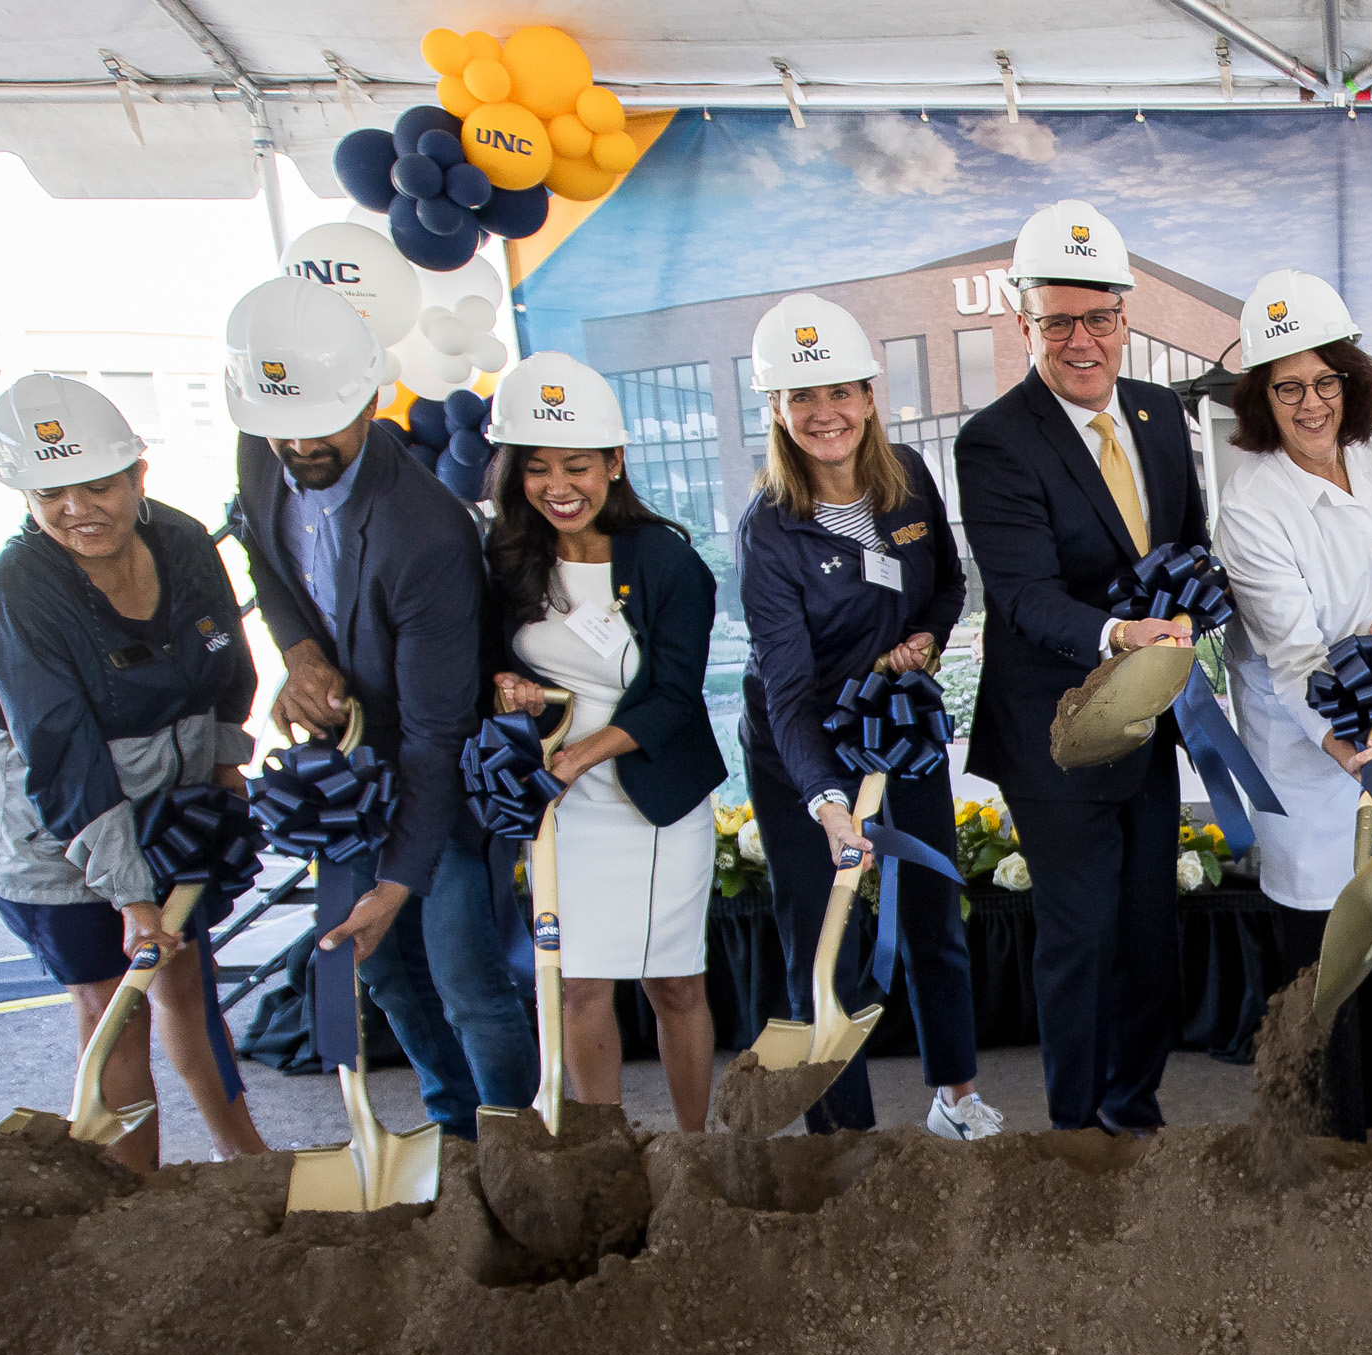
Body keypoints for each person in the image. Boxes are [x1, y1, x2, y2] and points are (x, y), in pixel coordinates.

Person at [223, 276, 519, 1138]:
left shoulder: (424, 533)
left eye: (322, 420)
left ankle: (510, 1145)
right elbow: (267, 564)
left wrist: (397, 882)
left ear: (366, 397)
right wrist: (300, 651)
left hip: (440, 776)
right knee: (385, 971)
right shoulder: (262, 446)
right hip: (350, 770)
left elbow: (435, 731)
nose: (301, 443)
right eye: (284, 424)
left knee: (466, 980)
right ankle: (453, 1132)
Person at [0, 374, 266, 1170]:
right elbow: (61, 755)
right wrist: (131, 898)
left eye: (97, 485)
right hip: (52, 831)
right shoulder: (14, 596)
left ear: (138, 476)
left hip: (164, 803)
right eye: (49, 493)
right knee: (115, 1007)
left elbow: (225, 670)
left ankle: (251, 1163)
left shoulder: (186, 542)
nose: (77, 509)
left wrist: (225, 776)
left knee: (188, 983)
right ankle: (135, 1207)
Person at [956, 200, 1209, 1138]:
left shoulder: (1156, 411)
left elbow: (1185, 547)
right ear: (1024, 321)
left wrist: (1195, 606)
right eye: (1057, 319)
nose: (1080, 339)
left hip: (1145, 726)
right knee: (1081, 938)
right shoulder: (995, 438)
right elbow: (1020, 593)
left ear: (1124, 317)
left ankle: (1131, 1112)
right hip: (1055, 735)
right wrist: (1117, 635)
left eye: (1098, 316)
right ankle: (1072, 1133)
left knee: (1148, 934)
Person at [734, 295, 996, 1140]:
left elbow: (950, 584)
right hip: (800, 747)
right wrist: (822, 798)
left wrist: (927, 634)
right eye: (802, 398)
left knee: (930, 915)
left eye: (840, 393)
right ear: (776, 409)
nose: (825, 414)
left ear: (870, 396)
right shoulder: (767, 531)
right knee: (826, 938)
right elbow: (785, 687)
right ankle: (841, 1139)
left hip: (897, 731)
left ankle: (956, 1098)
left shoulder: (909, 477)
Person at [1212, 269, 1372, 1143]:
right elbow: (1294, 656)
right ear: (1261, 396)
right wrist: (1352, 740)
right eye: (1288, 387)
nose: (1311, 403)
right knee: (1328, 959)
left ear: (1352, 380)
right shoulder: (1251, 506)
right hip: (1324, 764)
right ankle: (1326, 1139)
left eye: (1326, 381)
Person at [479, 355, 727, 1133]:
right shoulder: (507, 557)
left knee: (673, 985)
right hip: (559, 805)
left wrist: (585, 755)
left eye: (578, 466)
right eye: (538, 468)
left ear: (614, 464)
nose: (560, 486)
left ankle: (694, 1145)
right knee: (579, 983)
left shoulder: (666, 561)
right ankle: (605, 1151)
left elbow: (676, 694)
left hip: (650, 798)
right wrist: (507, 685)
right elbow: (489, 656)